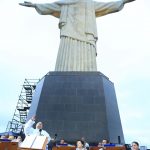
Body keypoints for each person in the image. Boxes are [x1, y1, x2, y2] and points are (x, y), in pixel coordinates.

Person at [19, 0, 135, 72]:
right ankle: (64, 72)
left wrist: (123, 1)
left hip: (86, 35)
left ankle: (88, 73)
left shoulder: (90, 4)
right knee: (66, 59)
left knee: (87, 62)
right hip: (68, 35)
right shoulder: (65, 3)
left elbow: (108, 6)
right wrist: (34, 5)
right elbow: (50, 7)